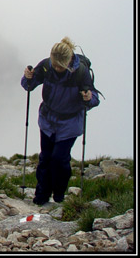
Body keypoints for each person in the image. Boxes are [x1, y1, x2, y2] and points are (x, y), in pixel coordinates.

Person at [21, 37, 100, 206]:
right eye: (54, 64)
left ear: (68, 61)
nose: (56, 68)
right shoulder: (46, 65)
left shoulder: (81, 73)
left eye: (59, 66)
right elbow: (28, 85)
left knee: (59, 159)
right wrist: (27, 77)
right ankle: (41, 196)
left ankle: (58, 194)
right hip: (48, 120)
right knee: (45, 158)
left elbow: (95, 99)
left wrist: (88, 97)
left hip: (69, 123)